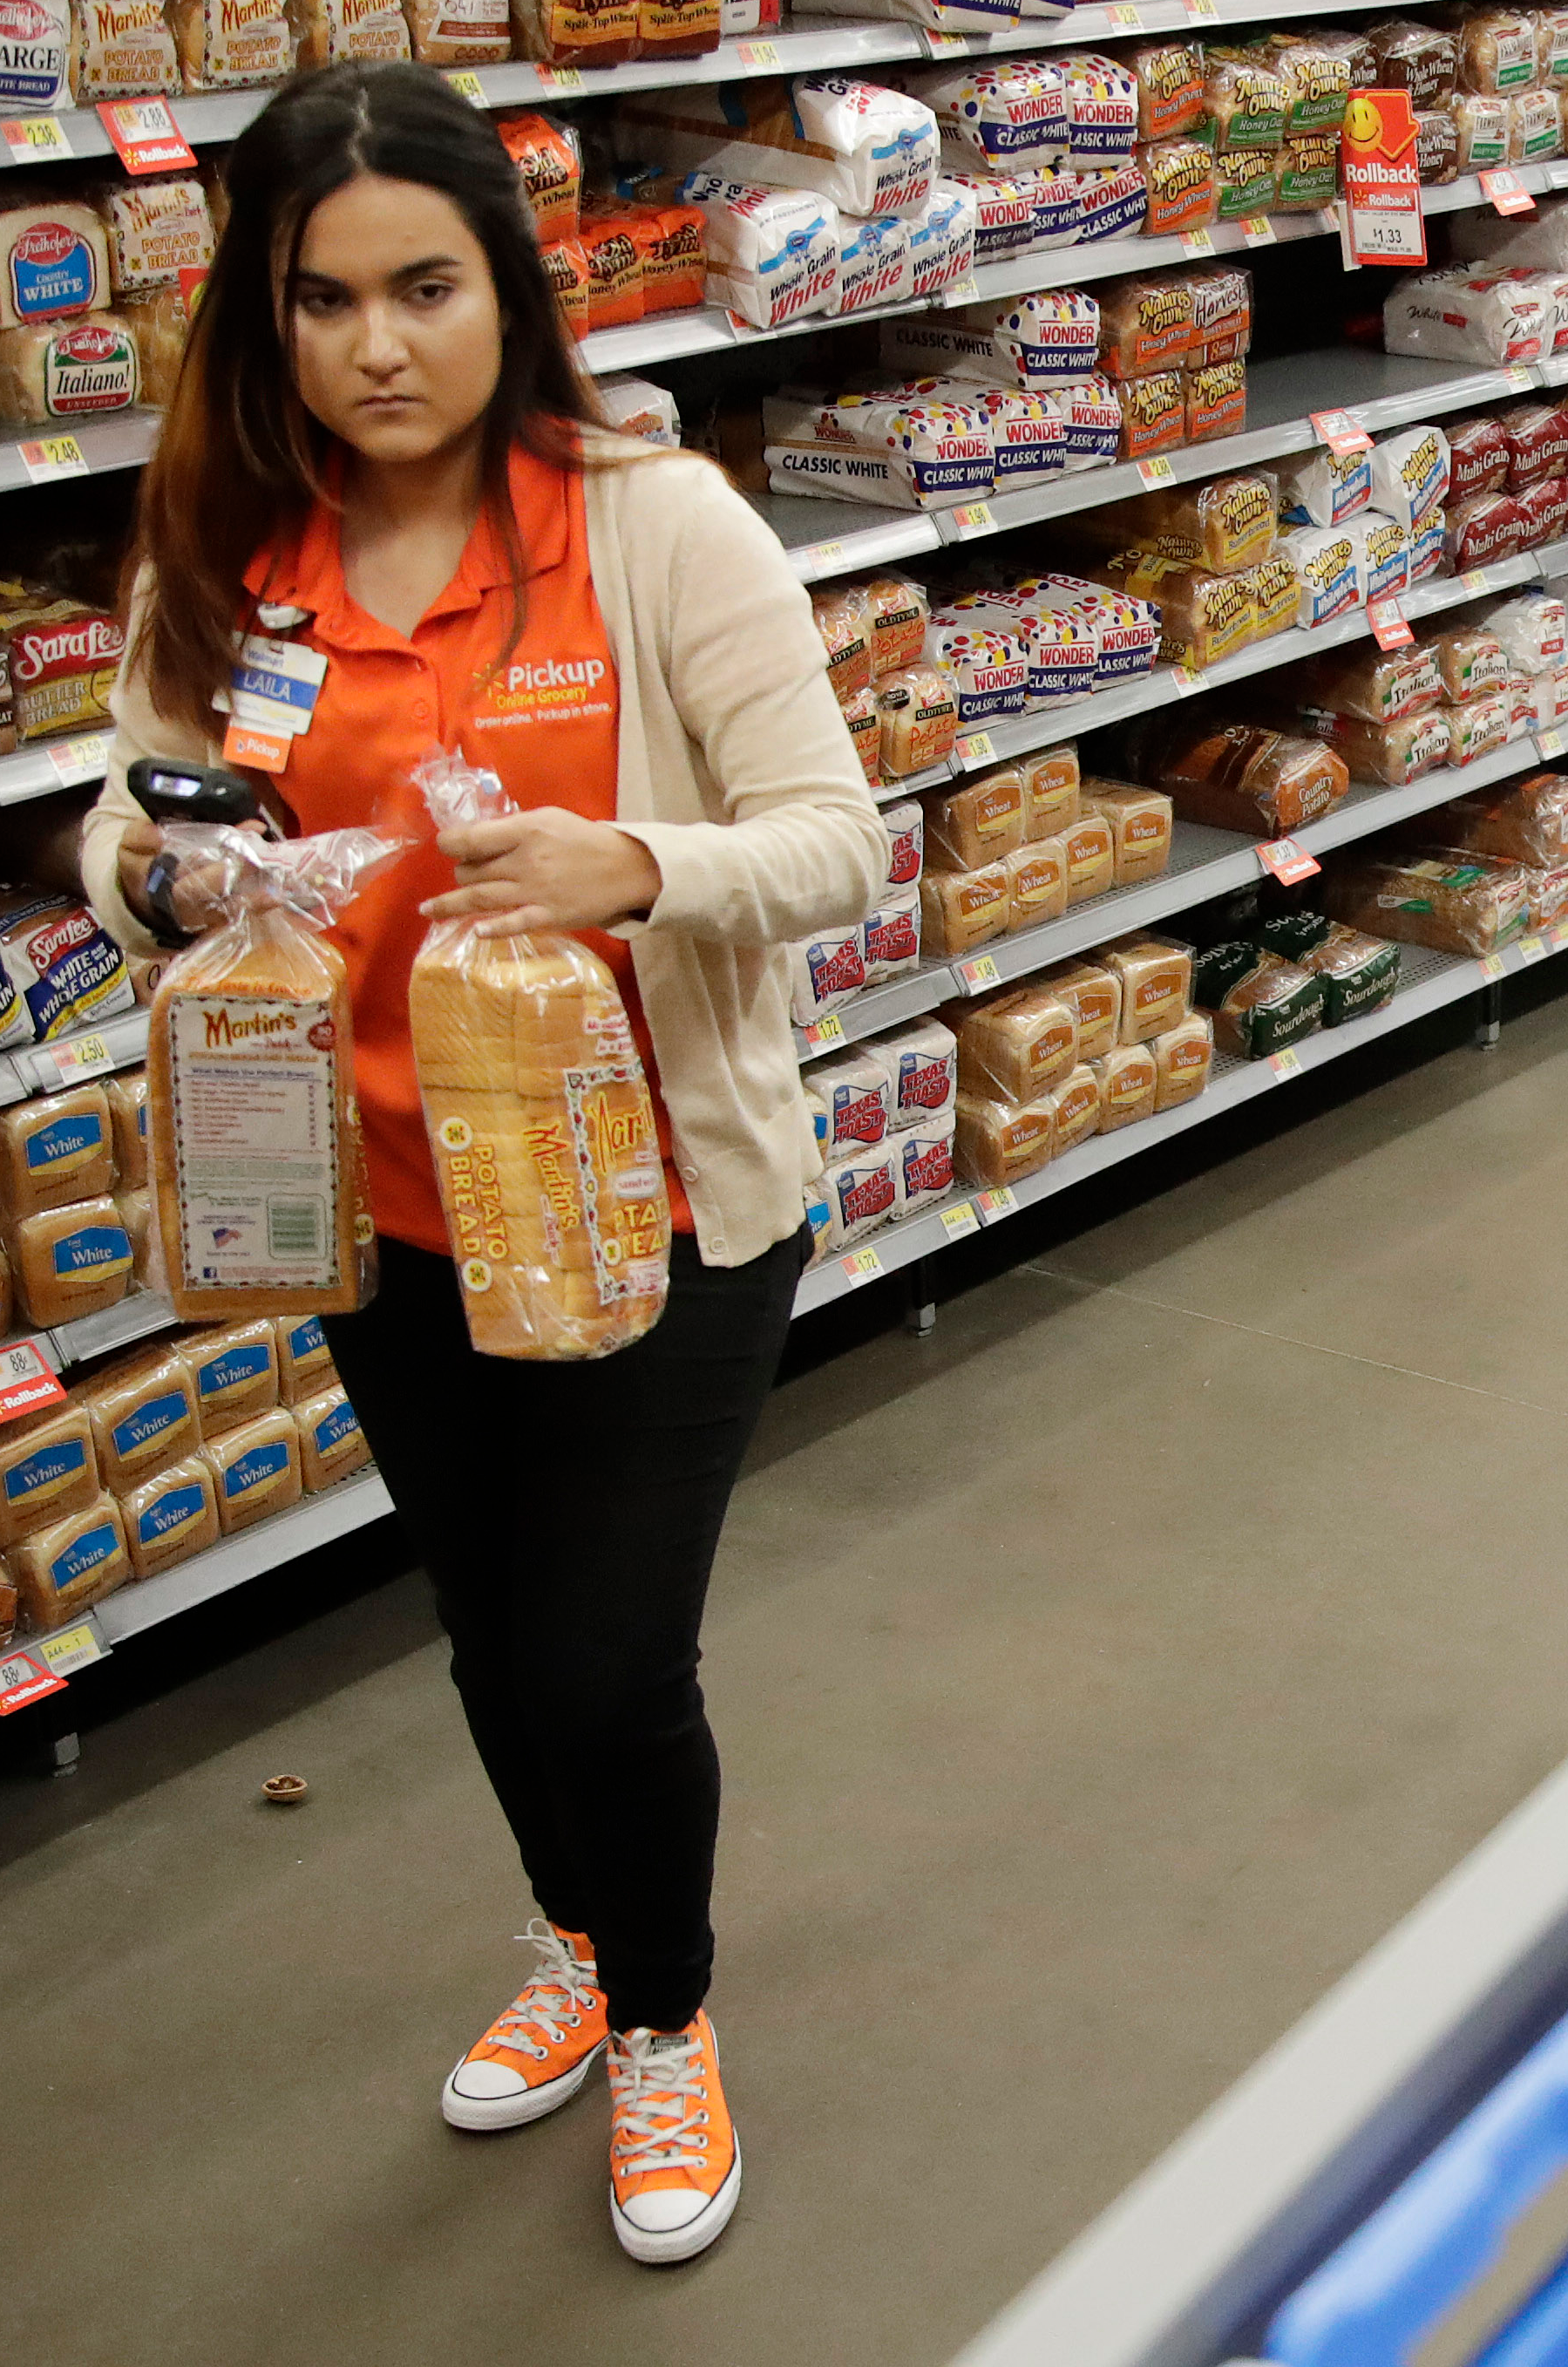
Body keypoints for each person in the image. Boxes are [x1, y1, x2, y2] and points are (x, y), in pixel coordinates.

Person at [80, 58, 882, 2266]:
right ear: (265, 320)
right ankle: (574, 1924)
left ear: (501, 288)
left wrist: (626, 862)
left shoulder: (653, 519)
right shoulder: (237, 543)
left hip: (655, 1205)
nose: (378, 346)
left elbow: (834, 834)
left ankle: (664, 2017)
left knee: (609, 1654)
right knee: (492, 1629)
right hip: (381, 1206)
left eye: (423, 286)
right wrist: (168, 889)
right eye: (321, 301)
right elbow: (131, 798)